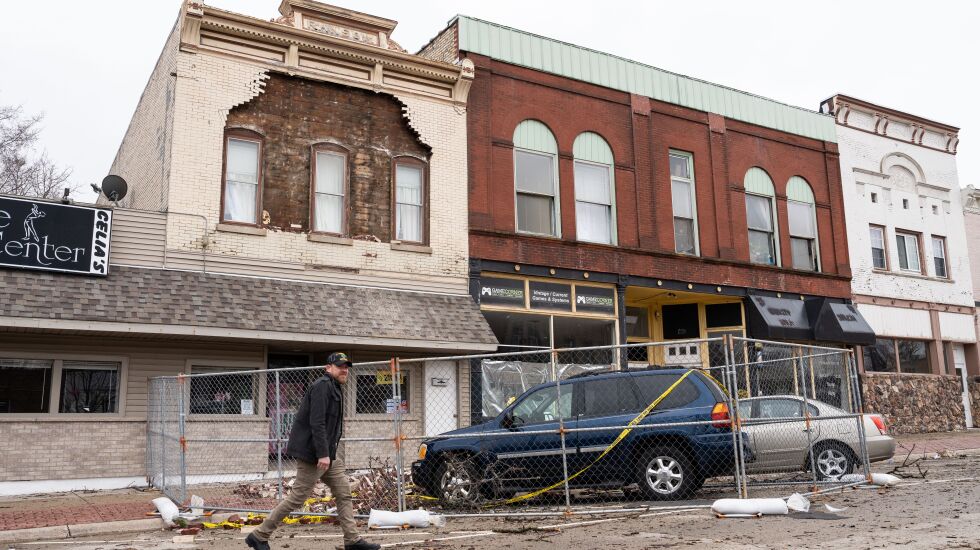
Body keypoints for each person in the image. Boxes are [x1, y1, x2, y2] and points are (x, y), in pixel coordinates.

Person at [247, 353, 379, 550]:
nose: (344, 370)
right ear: (328, 368)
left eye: (346, 367)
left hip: (329, 455)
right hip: (314, 455)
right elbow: (317, 423)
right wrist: (323, 454)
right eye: (340, 366)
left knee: (343, 493)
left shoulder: (334, 387)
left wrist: (328, 453)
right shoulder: (322, 386)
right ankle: (259, 535)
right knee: (297, 498)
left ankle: (352, 541)